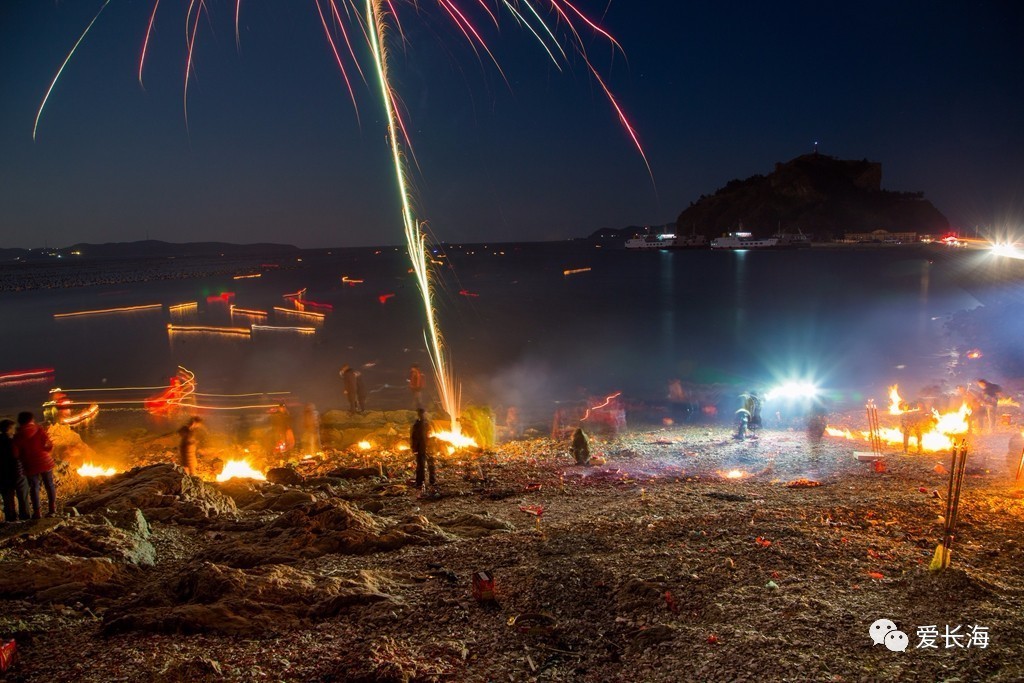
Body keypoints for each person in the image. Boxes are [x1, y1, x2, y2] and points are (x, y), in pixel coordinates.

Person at [13, 412, 56, 519]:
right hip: (45, 462)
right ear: (31, 420)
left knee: (34, 488)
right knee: (49, 485)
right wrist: (46, 450)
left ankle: (37, 512)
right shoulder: (39, 429)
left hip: (30, 465)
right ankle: (52, 508)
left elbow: (15, 453)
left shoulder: (17, 436)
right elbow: (48, 445)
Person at [0, 419, 30, 522]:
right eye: (13, 428)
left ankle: (10, 519)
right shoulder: (14, 442)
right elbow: (21, 456)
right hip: (18, 473)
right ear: (9, 429)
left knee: (8, 499)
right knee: (23, 497)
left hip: (3, 475)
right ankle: (25, 518)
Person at [410, 408, 435, 490]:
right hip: (422, 447)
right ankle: (422, 481)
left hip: (425, 447)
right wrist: (414, 447)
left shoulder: (424, 424)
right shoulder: (420, 425)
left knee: (427, 465)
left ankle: (428, 481)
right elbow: (414, 437)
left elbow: (429, 435)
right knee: (422, 465)